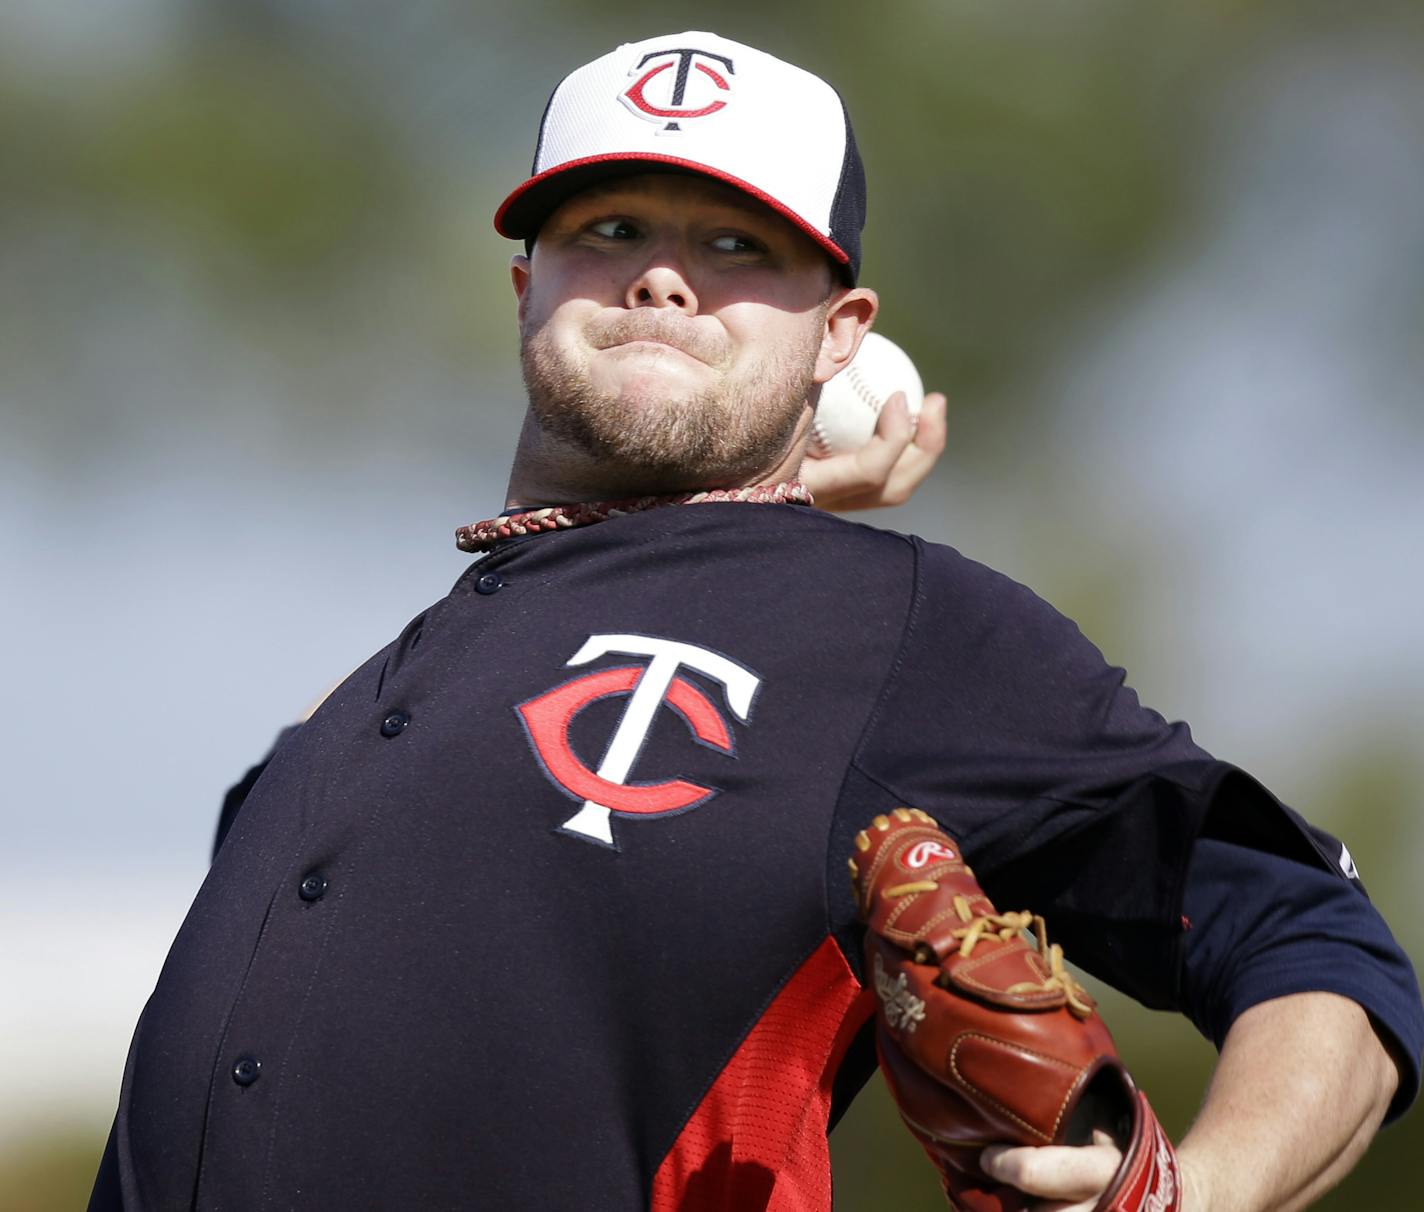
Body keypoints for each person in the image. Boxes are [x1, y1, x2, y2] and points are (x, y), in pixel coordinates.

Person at [89, 31, 1419, 1211]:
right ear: (526, 290)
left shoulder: (894, 627)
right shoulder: (408, 675)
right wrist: (670, 547)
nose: (662, 279)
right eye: (607, 229)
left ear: (840, 334)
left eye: (737, 245)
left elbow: (1318, 942)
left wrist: (1206, 1192)